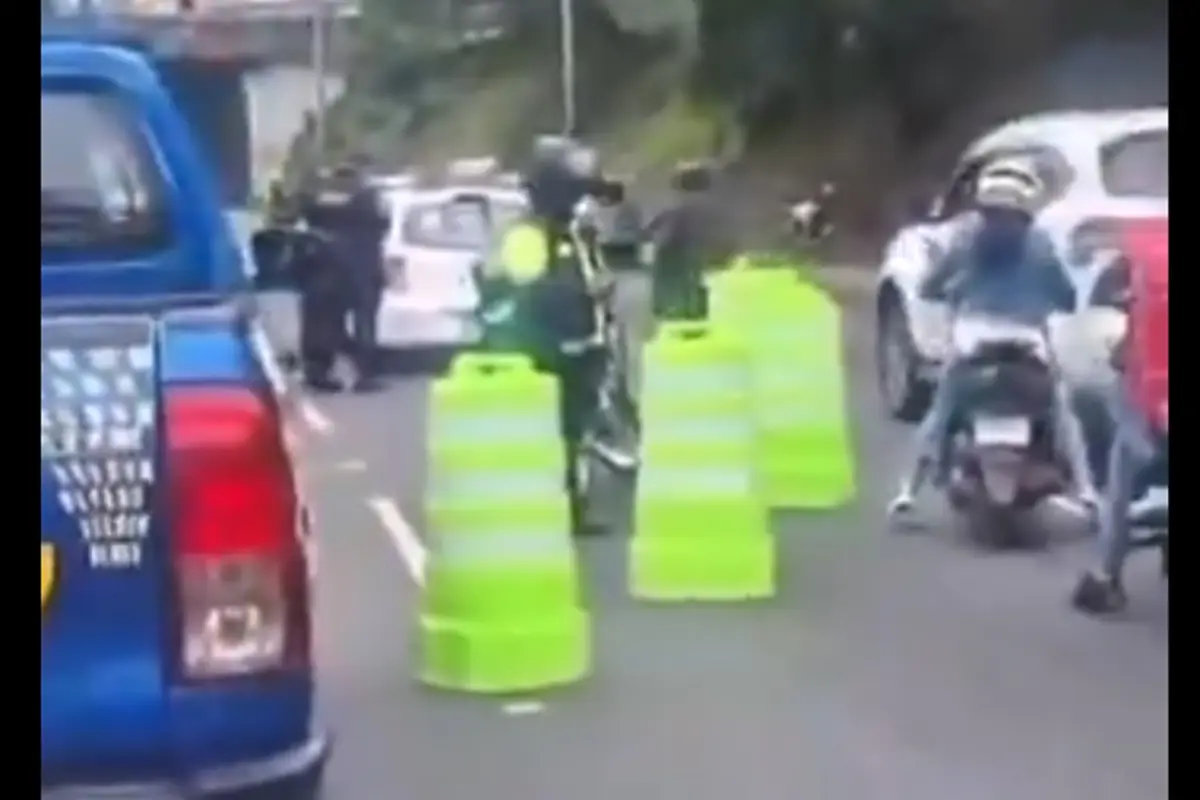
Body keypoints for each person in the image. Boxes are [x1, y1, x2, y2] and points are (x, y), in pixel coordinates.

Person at [886, 157, 1098, 519]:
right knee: (1062, 411)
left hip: (973, 344)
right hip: (1028, 345)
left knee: (941, 413)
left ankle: (909, 492)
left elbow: (929, 286)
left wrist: (948, 291)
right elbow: (1067, 297)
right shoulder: (1040, 244)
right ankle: (1086, 488)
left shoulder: (965, 240)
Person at [299, 159, 389, 392]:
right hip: (361, 267)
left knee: (321, 323)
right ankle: (364, 375)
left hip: (324, 266)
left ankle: (317, 372)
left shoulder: (319, 199)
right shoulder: (367, 199)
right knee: (364, 324)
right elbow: (382, 224)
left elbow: (305, 216)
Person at [570, 175, 653, 404]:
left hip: (614, 280)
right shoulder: (633, 213)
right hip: (636, 280)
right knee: (632, 346)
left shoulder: (593, 218)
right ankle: (631, 393)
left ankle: (617, 391)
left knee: (615, 343)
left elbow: (590, 252)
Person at [648, 161, 728, 319]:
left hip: (672, 245)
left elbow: (657, 224)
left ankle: (666, 307)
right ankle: (693, 308)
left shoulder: (677, 204)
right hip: (691, 246)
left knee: (668, 278)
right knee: (692, 277)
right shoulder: (705, 204)